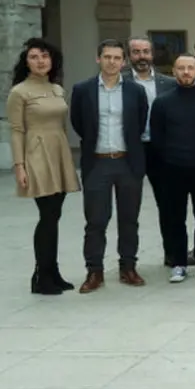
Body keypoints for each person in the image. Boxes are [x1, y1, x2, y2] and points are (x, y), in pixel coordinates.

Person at [69, 38, 149, 293]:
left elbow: (140, 120)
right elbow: (78, 123)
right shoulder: (83, 90)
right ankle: (94, 271)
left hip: (128, 162)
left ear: (123, 62)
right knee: (95, 221)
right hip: (98, 163)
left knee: (129, 219)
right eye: (107, 57)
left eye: (117, 58)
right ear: (98, 59)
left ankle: (128, 267)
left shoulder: (135, 91)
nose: (112, 62)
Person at [8, 38, 80, 295]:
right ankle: (41, 275)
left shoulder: (57, 89)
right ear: (26, 62)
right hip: (36, 154)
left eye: (45, 56)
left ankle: (52, 271)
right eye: (34, 57)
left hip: (58, 151)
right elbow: (16, 131)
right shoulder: (19, 92)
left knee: (55, 215)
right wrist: (20, 166)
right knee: (48, 216)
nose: (40, 61)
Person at [150, 54, 195, 283]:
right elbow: (157, 137)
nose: (186, 72)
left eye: (190, 68)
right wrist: (168, 160)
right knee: (174, 217)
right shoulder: (162, 103)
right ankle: (179, 262)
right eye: (181, 68)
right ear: (174, 71)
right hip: (172, 169)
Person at [126, 35, 178, 266]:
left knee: (168, 205)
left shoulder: (169, 83)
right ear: (129, 55)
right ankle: (128, 261)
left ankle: (172, 253)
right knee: (129, 207)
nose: (142, 57)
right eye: (136, 52)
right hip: (132, 149)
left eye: (145, 51)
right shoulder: (121, 82)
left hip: (161, 150)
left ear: (153, 54)